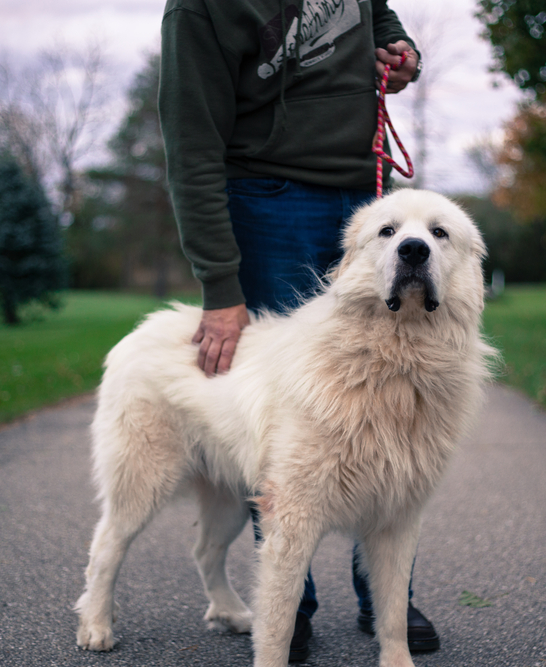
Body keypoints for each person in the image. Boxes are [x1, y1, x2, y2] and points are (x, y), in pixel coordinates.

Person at [159, 0, 436, 661]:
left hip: (369, 195)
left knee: (398, 410)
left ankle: (385, 599)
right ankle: (291, 605)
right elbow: (191, 149)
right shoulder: (198, 9)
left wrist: (402, 56)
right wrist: (221, 287)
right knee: (293, 423)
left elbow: (380, 19)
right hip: (268, 201)